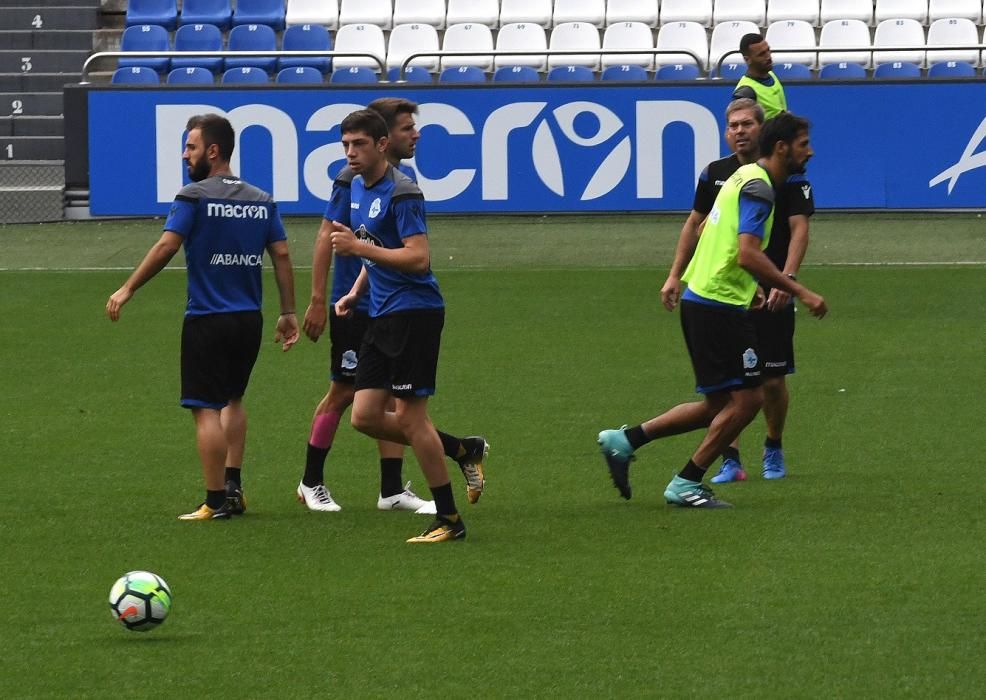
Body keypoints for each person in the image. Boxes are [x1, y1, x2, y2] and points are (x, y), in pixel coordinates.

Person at [597, 112, 826, 509]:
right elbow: (748, 252)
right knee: (749, 401)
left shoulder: (742, 178)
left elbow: (709, 233)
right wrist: (799, 290)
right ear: (782, 147)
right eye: (804, 144)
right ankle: (687, 481)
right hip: (717, 306)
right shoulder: (759, 188)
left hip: (708, 299)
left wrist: (745, 286)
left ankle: (626, 440)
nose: (811, 151)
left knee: (720, 406)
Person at [106, 113, 299, 520]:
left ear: (213, 151)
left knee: (205, 409)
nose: (184, 154)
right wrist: (287, 311)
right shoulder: (261, 199)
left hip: (208, 318)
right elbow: (281, 254)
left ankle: (213, 501)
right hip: (250, 318)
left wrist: (129, 288)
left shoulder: (192, 196)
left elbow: (166, 247)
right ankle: (233, 486)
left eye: (191, 146)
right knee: (233, 398)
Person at [330, 108, 488, 542]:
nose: (350, 153)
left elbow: (418, 258)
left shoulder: (403, 192)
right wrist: (355, 292)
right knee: (363, 416)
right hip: (382, 313)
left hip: (415, 313)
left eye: (358, 144)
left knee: (411, 418)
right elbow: (381, 247)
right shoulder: (359, 189)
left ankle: (450, 520)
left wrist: (358, 246)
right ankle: (461, 448)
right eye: (345, 145)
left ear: (381, 145)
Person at [663, 99, 816, 483]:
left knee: (771, 380)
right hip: (728, 293)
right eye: (732, 125)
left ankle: (773, 446)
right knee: (735, 390)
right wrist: (675, 275)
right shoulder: (722, 175)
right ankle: (725, 461)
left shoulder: (786, 177)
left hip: (767, 288)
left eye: (747, 123)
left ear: (762, 131)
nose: (739, 130)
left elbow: (798, 229)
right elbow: (697, 226)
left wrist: (789, 279)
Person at [299, 97, 434, 514]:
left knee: (392, 396)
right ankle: (310, 481)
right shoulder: (349, 179)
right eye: (407, 127)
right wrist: (319, 298)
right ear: (385, 135)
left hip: (386, 302)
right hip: (354, 305)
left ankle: (391, 489)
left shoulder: (396, 182)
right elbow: (327, 234)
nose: (415, 134)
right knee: (343, 391)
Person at [733, 33, 787, 120]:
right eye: (761, 54)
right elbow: (745, 128)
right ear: (747, 59)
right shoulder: (745, 92)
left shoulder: (771, 74)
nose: (768, 56)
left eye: (768, 50)